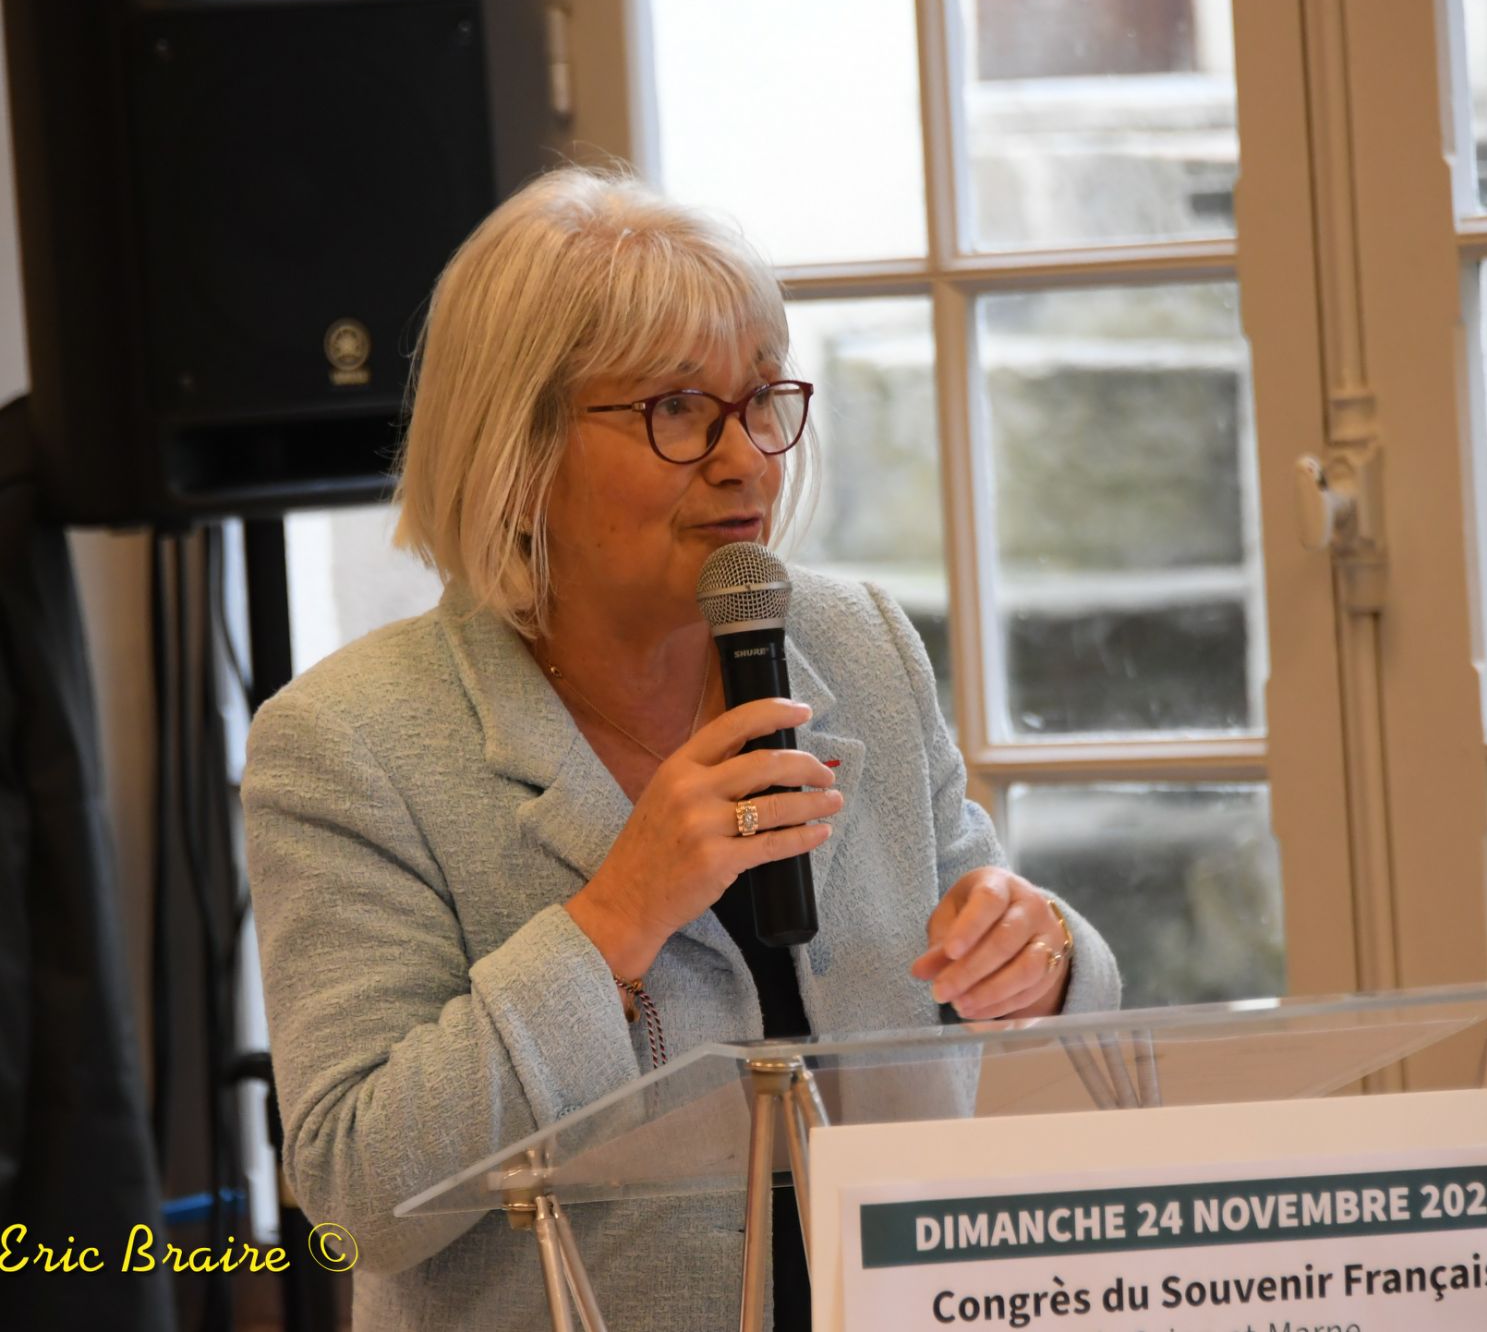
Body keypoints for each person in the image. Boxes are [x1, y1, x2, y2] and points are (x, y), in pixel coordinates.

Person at [242, 166, 1120, 1332]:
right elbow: (358, 1191)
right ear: (520, 448)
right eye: (677, 409)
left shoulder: (858, 642)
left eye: (761, 399)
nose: (746, 456)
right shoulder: (348, 744)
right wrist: (618, 916)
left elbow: (995, 945)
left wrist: (1038, 954)